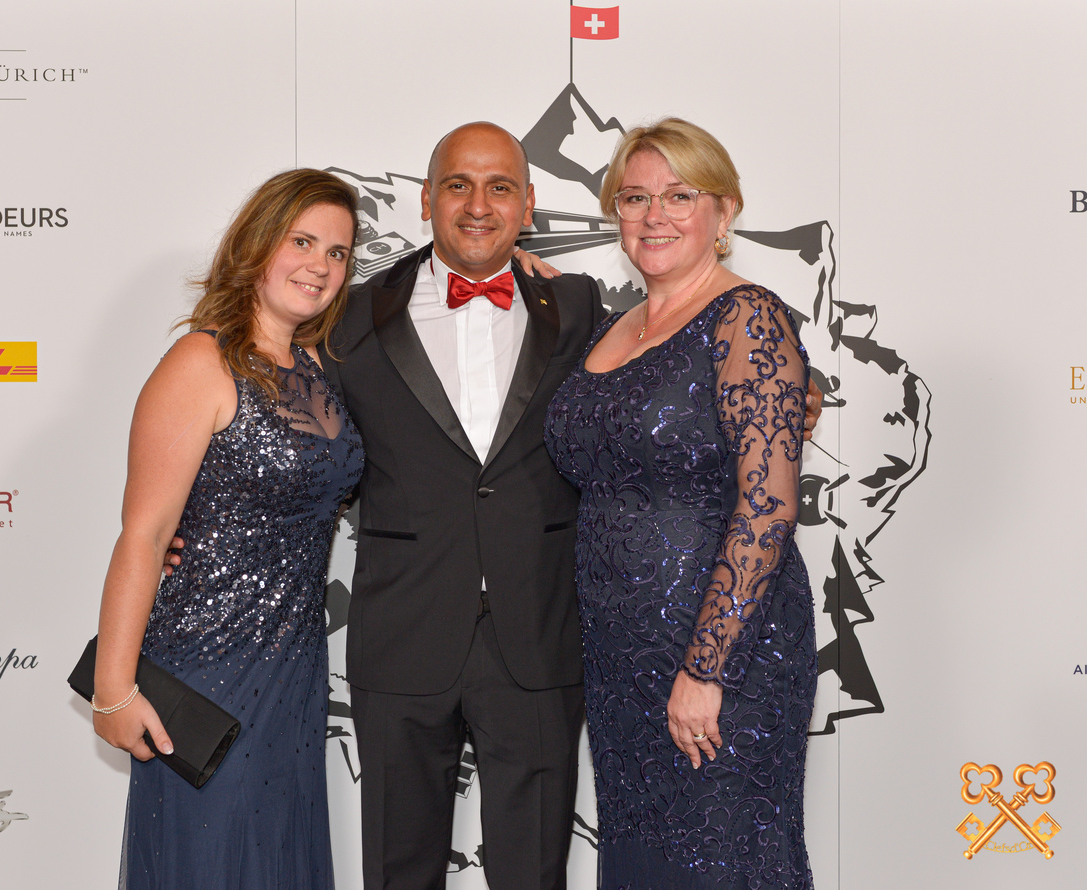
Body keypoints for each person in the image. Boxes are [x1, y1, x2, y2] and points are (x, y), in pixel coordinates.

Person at [325, 122, 608, 890]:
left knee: (533, 875)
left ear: (528, 205)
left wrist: (788, 387)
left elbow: (663, 377)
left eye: (500, 187)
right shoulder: (349, 315)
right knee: (399, 872)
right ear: (426, 199)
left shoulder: (578, 306)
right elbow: (275, 413)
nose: (478, 205)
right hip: (402, 635)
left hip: (539, 637)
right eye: (458, 185)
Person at [543, 118, 816, 889]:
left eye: (679, 195)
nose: (653, 214)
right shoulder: (613, 327)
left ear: (723, 214)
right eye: (634, 197)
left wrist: (706, 667)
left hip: (723, 657)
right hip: (620, 663)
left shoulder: (748, 318)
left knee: (720, 862)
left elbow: (767, 509)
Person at [90, 168, 364, 889]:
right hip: (208, 668)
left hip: (293, 672)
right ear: (256, 243)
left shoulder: (316, 366)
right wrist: (113, 688)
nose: (320, 265)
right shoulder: (200, 361)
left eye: (337, 252)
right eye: (301, 241)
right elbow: (145, 535)